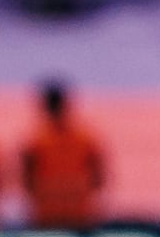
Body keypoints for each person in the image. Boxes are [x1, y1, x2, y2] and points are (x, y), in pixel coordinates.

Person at [19, 80, 109, 228]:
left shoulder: (34, 141)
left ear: (44, 106)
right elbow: (99, 179)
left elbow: (25, 180)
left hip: (48, 216)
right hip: (78, 215)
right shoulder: (87, 139)